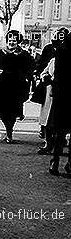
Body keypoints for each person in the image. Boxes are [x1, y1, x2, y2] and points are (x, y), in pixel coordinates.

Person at [0, 30, 34, 143]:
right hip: (2, 87)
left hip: (17, 87)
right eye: (10, 40)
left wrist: (26, 78)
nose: (12, 43)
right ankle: (8, 130)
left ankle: (9, 132)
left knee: (13, 112)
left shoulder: (24, 55)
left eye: (14, 41)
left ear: (18, 41)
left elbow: (30, 69)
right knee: (3, 112)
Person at [46, 30, 70, 176]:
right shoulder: (64, 46)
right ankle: (61, 163)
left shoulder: (63, 45)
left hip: (63, 94)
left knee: (59, 130)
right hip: (64, 94)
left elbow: (59, 74)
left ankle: (55, 162)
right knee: (60, 130)